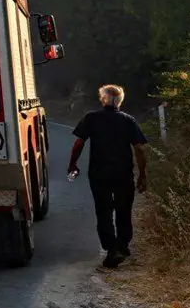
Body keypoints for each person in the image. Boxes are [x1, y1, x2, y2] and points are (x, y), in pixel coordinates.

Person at [68, 83, 149, 269]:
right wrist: (142, 174)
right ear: (120, 101)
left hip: (99, 174)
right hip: (123, 173)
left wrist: (72, 164)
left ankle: (112, 248)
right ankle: (122, 245)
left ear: (103, 99)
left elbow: (79, 143)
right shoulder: (128, 120)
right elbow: (139, 148)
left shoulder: (91, 118)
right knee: (123, 210)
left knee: (103, 211)